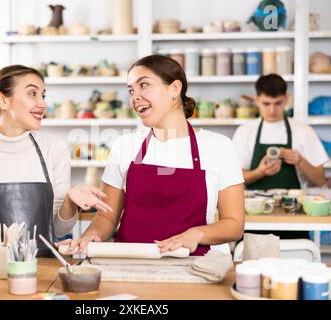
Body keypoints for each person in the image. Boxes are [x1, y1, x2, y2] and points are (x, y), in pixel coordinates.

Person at [61, 55, 245, 256]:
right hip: (130, 263)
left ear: (174, 88)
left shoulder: (219, 146)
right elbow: (107, 217)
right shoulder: (125, 146)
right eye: (131, 90)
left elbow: (234, 224)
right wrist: (91, 236)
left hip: (195, 265)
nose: (134, 97)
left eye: (144, 85)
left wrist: (196, 234)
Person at [0, 65, 112, 257]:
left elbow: (58, 230)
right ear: (3, 100)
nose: (42, 104)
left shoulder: (54, 149)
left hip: (43, 270)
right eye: (32, 93)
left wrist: (70, 200)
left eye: (43, 95)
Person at [232, 74, 329, 238]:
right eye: (266, 103)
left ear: (287, 99)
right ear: (256, 100)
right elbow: (233, 179)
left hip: (293, 215)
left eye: (278, 103)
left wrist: (300, 160)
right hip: (254, 217)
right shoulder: (245, 132)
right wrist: (259, 172)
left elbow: (320, 179)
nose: (272, 110)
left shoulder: (303, 131)